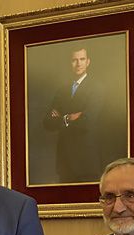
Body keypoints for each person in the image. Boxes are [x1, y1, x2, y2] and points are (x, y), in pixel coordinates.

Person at [43, 46, 105, 183]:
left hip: (87, 162)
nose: (78, 63)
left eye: (82, 59)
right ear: (70, 63)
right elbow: (47, 122)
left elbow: (87, 121)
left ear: (88, 62)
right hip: (65, 161)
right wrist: (69, 117)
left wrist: (60, 118)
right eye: (74, 60)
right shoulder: (62, 90)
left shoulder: (96, 88)